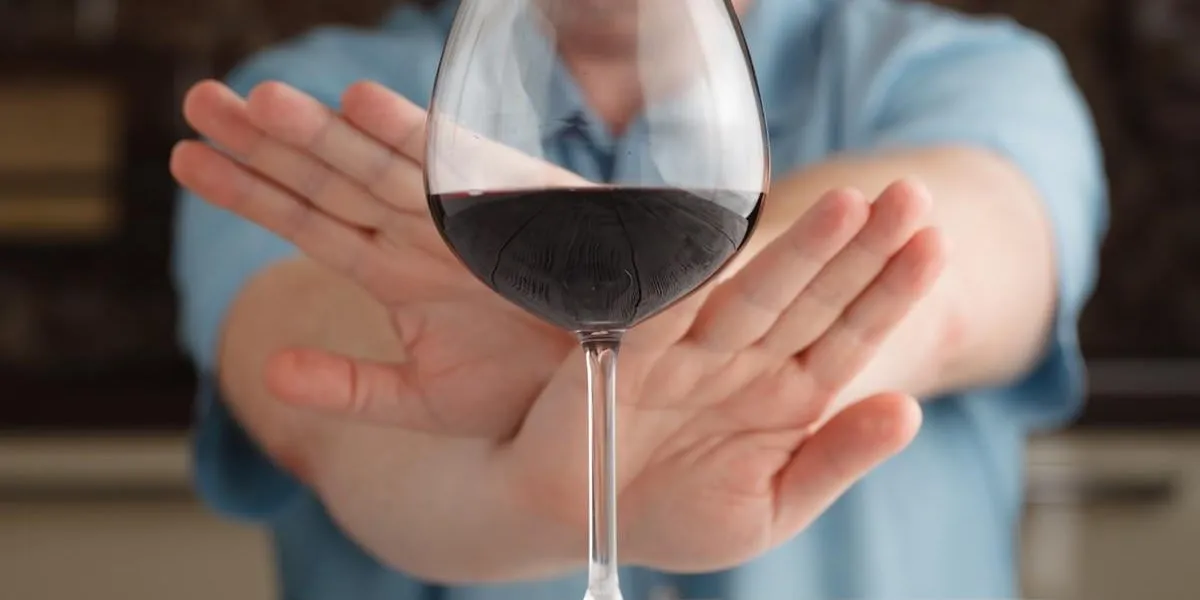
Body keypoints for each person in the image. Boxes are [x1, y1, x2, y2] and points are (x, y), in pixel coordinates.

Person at [169, 0, 1107, 598]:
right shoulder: (315, 101)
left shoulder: (960, 74)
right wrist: (542, 491)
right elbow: (328, 405)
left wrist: (600, 337)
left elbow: (951, 271)